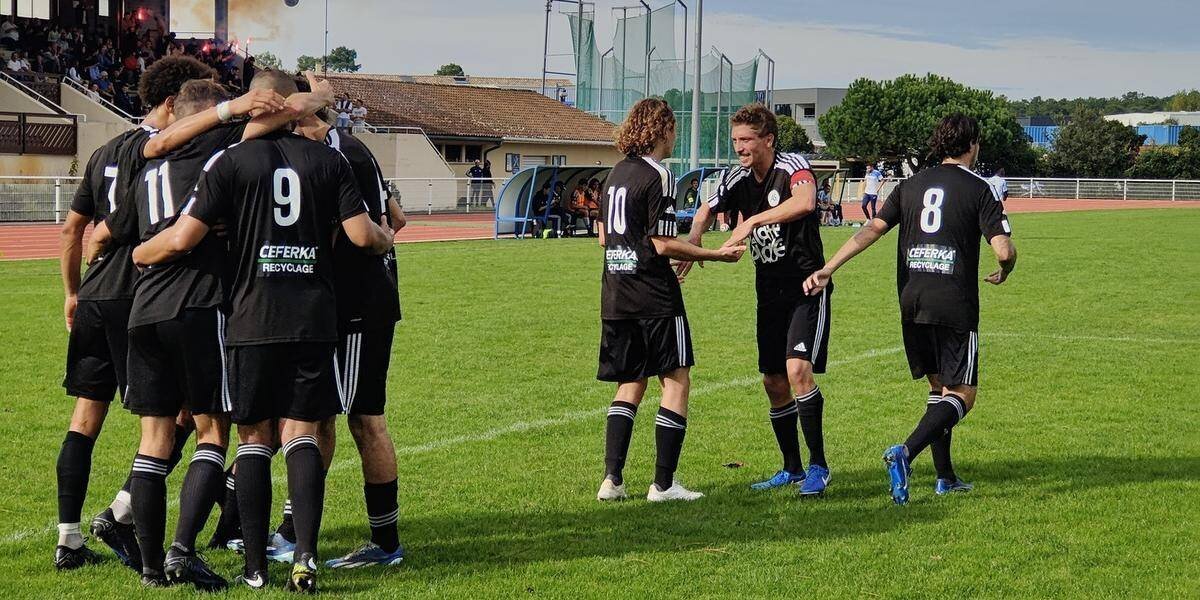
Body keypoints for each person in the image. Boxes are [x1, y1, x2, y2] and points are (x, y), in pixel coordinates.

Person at [134, 110, 395, 592]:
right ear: (292, 114)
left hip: (250, 315)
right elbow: (362, 234)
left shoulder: (230, 160)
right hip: (312, 315)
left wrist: (141, 251)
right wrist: (385, 237)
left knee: (253, 438)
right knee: (302, 433)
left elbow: (186, 236)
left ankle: (254, 567)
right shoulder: (328, 160)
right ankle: (305, 558)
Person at [53, 55, 284, 574]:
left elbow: (94, 230)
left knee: (113, 424)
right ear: (178, 104)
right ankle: (171, 540)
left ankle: (95, 540)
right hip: (177, 295)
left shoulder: (120, 151)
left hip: (117, 299)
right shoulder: (209, 152)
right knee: (206, 424)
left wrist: (78, 286)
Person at [115, 73, 331, 589]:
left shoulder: (142, 159)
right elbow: (282, 112)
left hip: (143, 309)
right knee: (215, 433)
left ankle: (150, 569)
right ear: (214, 116)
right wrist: (319, 97)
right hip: (200, 303)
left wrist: (140, 251)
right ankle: (182, 550)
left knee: (154, 440)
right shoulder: (217, 152)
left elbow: (109, 231)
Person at [802, 113, 1017, 505]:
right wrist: (1007, 267)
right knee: (963, 394)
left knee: (938, 388)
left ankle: (945, 477)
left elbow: (871, 229)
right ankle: (905, 452)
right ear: (972, 145)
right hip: (953, 301)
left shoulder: (911, 185)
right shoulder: (980, 188)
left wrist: (829, 267)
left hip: (912, 297)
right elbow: (1002, 249)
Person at [595, 97, 746, 503]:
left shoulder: (615, 174)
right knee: (676, 379)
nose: (675, 135)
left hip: (616, 292)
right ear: (662, 129)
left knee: (630, 382)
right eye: (674, 127)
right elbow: (661, 243)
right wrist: (715, 254)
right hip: (654, 295)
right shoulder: (659, 175)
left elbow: (604, 238)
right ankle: (663, 485)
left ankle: (612, 480)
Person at [678, 103, 833, 496]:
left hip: (806, 287)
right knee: (773, 380)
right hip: (769, 291)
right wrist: (694, 240)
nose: (740, 148)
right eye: (735, 140)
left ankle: (819, 466)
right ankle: (792, 468)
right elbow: (706, 208)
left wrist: (752, 221)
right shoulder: (738, 177)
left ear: (768, 139)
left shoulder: (792, 165)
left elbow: (805, 202)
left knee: (798, 370)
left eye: (746, 140)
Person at [290, 85, 408, 569]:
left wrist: (366, 254)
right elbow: (396, 217)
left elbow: (371, 230)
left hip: (359, 306)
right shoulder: (349, 148)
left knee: (364, 418)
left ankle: (385, 543)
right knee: (321, 416)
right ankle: (293, 531)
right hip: (343, 303)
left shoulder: (342, 153)